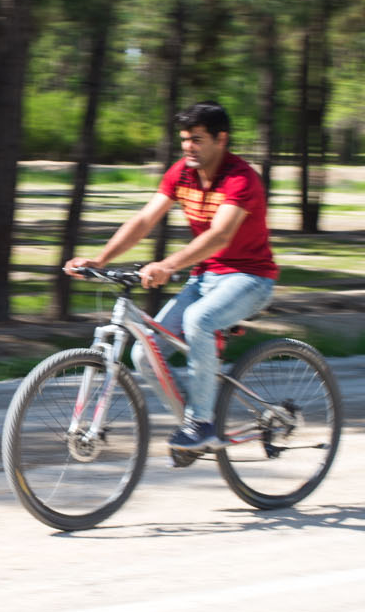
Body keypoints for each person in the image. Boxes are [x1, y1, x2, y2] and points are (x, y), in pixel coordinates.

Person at [65, 100, 279, 452]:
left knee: (199, 320)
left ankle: (202, 423)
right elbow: (145, 220)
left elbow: (220, 236)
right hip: (206, 277)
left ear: (220, 139)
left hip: (250, 278)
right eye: (184, 139)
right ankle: (192, 431)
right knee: (145, 353)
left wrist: (168, 265)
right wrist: (101, 259)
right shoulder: (182, 172)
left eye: (196, 139)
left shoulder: (241, 178)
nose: (187, 147)